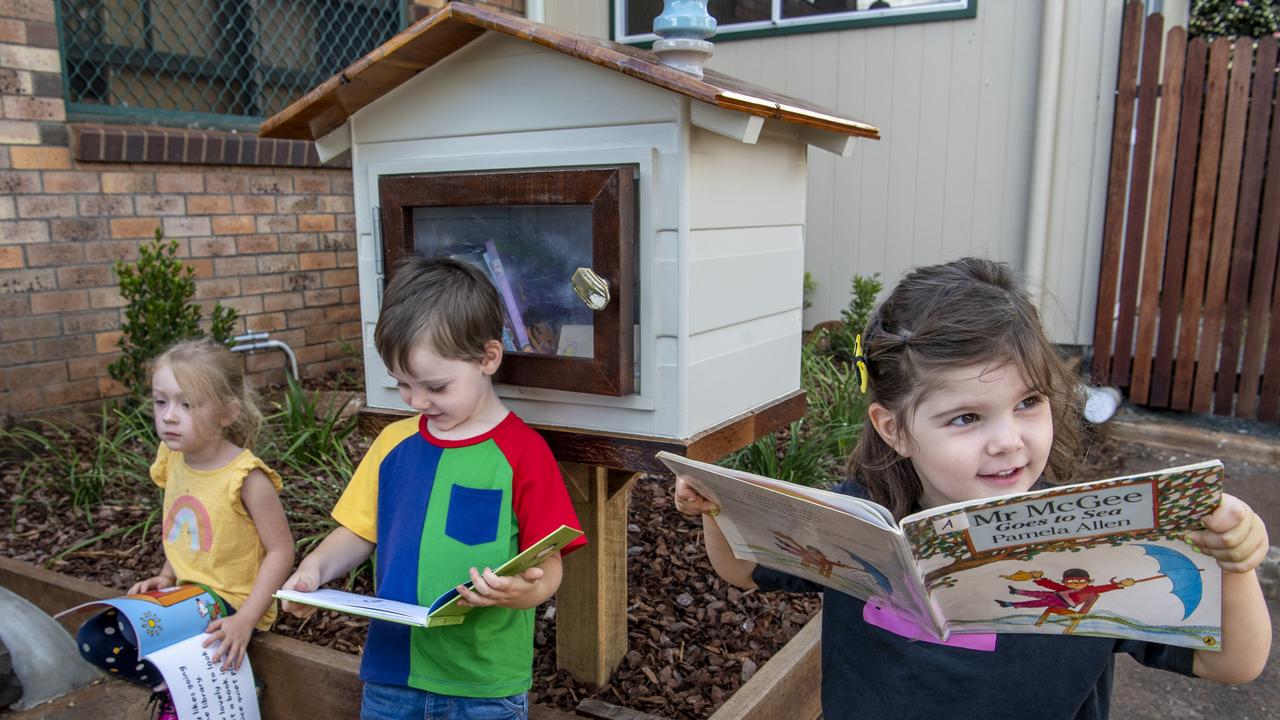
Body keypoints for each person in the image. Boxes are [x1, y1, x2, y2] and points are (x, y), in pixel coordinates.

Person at [673, 257, 1271, 720]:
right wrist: (717, 513)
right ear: (896, 429)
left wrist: (1237, 565)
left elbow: (1233, 663)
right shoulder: (857, 518)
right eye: (966, 418)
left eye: (1028, 403)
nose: (1008, 440)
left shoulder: (1096, 544)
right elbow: (743, 570)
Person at [280, 256, 586, 720]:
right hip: (391, 673)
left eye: (436, 387)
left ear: (488, 358)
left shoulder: (523, 453)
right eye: (403, 385)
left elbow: (550, 567)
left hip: (484, 683)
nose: (418, 401)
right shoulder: (393, 443)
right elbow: (360, 532)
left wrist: (520, 593)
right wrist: (314, 569)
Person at [78, 338, 295, 720]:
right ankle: (181, 690)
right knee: (96, 640)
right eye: (161, 402)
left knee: (134, 631)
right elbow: (182, 529)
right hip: (186, 596)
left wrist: (245, 619)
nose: (169, 416)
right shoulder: (173, 459)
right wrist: (165, 576)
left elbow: (281, 551)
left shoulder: (246, 477)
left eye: (187, 404)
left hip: (233, 602)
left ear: (227, 413)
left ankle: (224, 687)